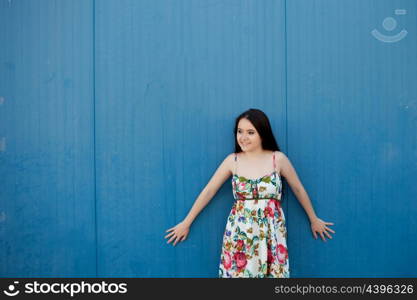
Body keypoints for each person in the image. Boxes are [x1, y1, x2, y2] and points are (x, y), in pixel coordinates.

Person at [164, 108, 335, 278]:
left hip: (270, 232)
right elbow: (209, 191)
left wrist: (314, 219)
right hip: (240, 232)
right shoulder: (233, 161)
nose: (243, 137)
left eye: (250, 132)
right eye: (240, 131)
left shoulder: (278, 159)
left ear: (262, 133)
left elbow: (298, 189)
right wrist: (186, 222)